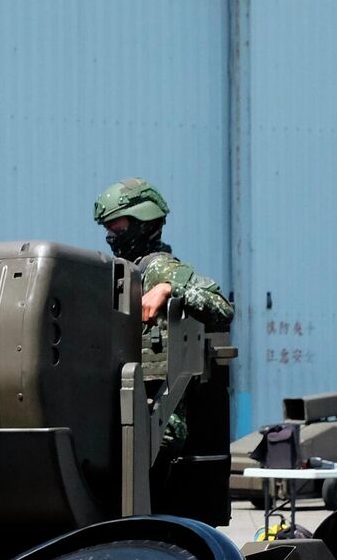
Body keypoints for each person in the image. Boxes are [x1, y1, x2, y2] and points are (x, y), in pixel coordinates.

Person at [94, 177, 233, 448]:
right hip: (130, 399)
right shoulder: (123, 272)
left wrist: (170, 289)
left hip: (160, 418)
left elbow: (222, 308)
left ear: (143, 224)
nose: (110, 235)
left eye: (117, 227)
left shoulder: (160, 269)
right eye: (107, 228)